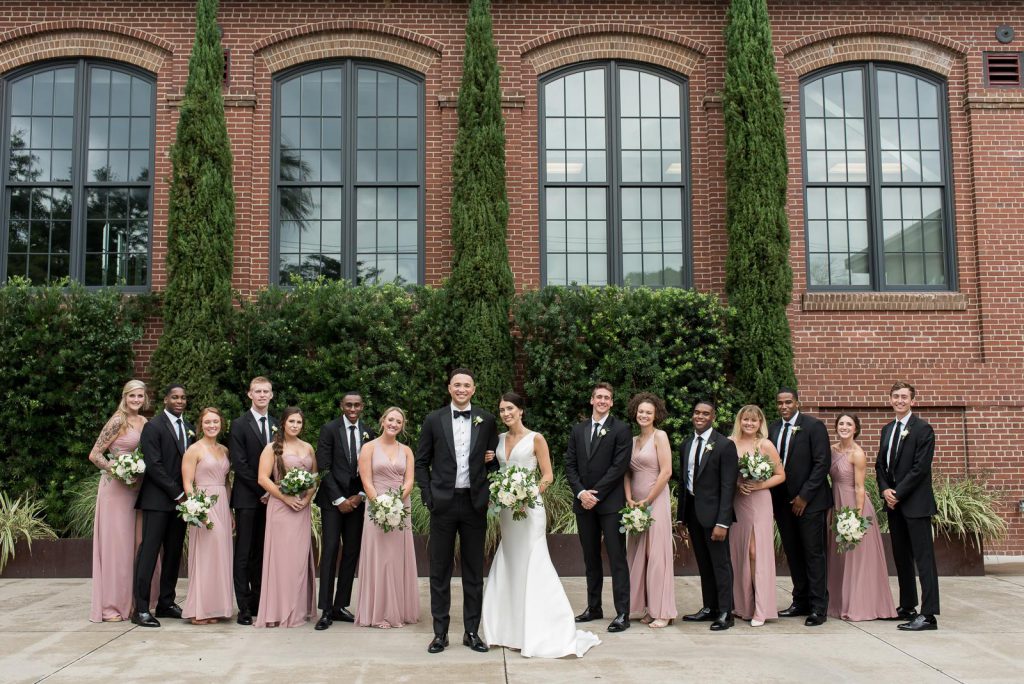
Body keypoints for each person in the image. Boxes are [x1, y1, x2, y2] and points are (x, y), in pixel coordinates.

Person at [481, 392, 600, 657]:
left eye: (510, 408)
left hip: (529, 509)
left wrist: (527, 494)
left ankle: (541, 629)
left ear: (521, 410)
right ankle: (509, 629)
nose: (506, 413)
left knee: (532, 562)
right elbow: (494, 470)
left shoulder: (536, 438)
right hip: (508, 510)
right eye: (501, 410)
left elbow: (547, 476)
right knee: (511, 562)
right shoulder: (498, 440)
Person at [415, 368, 499, 654]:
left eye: (467, 385)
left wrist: (488, 488)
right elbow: (421, 462)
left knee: (474, 571)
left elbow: (494, 463)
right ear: (449, 388)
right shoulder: (433, 420)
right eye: (457, 385)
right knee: (439, 570)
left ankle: (472, 632)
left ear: (473, 389)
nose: (462, 389)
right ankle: (440, 633)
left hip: (475, 504)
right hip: (443, 503)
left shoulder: (486, 420)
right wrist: (429, 497)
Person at [564, 382, 632, 632]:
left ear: (612, 402)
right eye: (598, 397)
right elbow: (569, 463)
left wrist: (597, 494)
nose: (602, 401)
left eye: (607, 397)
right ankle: (594, 607)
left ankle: (622, 612)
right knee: (590, 558)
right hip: (584, 504)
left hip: (610, 504)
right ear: (591, 400)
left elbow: (619, 466)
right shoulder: (578, 429)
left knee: (617, 559)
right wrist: (581, 493)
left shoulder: (621, 429)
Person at [876, 381, 940, 631]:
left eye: (904, 396)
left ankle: (929, 614)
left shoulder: (923, 429)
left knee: (924, 560)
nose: (899, 400)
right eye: (895, 396)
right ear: (890, 399)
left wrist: (898, 493)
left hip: (916, 504)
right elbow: (880, 465)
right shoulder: (887, 429)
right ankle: (907, 606)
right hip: (894, 505)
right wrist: (884, 490)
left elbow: (920, 468)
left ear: (912, 400)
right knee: (901, 558)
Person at [768, 387, 832, 626]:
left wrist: (804, 496)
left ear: (797, 403)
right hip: (782, 503)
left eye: (788, 402)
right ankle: (800, 601)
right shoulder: (773, 429)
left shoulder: (813, 426)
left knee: (813, 554)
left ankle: (818, 607)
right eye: (780, 403)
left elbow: (821, 463)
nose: (784, 406)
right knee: (793, 553)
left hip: (810, 503)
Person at [89, 379, 150, 622]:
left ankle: (136, 601)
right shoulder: (117, 421)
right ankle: (111, 606)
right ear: (124, 397)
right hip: (116, 490)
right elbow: (95, 454)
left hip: (137, 489)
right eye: (132, 396)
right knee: (117, 547)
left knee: (136, 545)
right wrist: (119, 471)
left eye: (140, 396)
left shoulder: (145, 422)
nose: (136, 400)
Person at [132, 384, 192, 628]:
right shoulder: (153, 426)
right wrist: (177, 493)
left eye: (183, 398)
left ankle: (166, 602)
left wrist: (188, 494)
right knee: (149, 552)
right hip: (158, 500)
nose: (179, 401)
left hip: (180, 504)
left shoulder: (188, 429)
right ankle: (142, 608)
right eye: (174, 397)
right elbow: (154, 465)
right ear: (165, 399)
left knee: (174, 553)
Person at [354, 407, 419, 628]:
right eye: (390, 419)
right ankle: (378, 612)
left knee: (396, 557)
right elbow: (366, 480)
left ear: (403, 426)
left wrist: (396, 502)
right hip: (376, 507)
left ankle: (398, 610)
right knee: (379, 557)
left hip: (401, 507)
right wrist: (380, 504)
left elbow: (409, 480)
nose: (394, 424)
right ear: (383, 421)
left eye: (398, 422)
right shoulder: (369, 448)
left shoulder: (407, 451)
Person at [828, 413, 897, 621]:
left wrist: (856, 519)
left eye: (849, 424)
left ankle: (860, 605)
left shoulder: (857, 454)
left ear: (855, 429)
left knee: (856, 558)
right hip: (836, 504)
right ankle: (839, 603)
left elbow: (860, 487)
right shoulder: (831, 450)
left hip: (853, 506)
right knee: (841, 558)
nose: (844, 427)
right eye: (841, 423)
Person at [315, 391, 374, 630]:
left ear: (362, 407)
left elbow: (371, 468)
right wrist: (339, 499)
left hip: (357, 501)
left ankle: (340, 605)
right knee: (330, 551)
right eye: (348, 404)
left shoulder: (369, 432)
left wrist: (359, 496)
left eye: (357, 405)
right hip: (332, 501)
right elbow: (324, 468)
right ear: (341, 405)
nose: (353, 408)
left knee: (351, 552)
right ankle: (326, 609)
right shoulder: (329, 430)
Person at [676, 399, 738, 631]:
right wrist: (681, 516)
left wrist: (723, 521)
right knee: (703, 562)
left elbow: (728, 486)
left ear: (713, 417)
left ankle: (725, 612)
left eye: (705, 413)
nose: (700, 416)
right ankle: (709, 607)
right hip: (693, 514)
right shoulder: (686, 444)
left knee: (720, 564)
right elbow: (684, 482)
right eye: (696, 412)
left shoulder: (724, 445)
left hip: (715, 516)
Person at [255, 407, 318, 628]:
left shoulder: (308, 447)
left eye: (299, 422)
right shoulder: (271, 448)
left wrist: (306, 499)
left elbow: (314, 478)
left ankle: (298, 609)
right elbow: (263, 479)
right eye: (291, 421)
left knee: (298, 559)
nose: (295, 425)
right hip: (281, 508)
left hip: (301, 508)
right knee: (281, 560)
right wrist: (286, 498)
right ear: (283, 423)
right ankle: (278, 610)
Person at [728, 405, 785, 627]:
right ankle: (744, 606)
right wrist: (736, 484)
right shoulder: (730, 443)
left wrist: (759, 485)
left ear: (761, 423)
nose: (750, 424)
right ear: (739, 421)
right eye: (746, 420)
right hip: (738, 502)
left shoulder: (765, 445)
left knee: (755, 552)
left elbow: (780, 475)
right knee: (740, 553)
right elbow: (723, 473)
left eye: (755, 420)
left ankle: (762, 608)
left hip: (760, 501)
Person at [623, 392, 676, 629]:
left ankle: (664, 611)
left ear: (656, 415)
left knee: (657, 556)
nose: (644, 415)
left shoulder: (660, 436)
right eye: (641, 411)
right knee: (639, 556)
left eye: (648, 412)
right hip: (635, 503)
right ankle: (648, 608)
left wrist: (648, 500)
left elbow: (666, 472)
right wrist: (629, 499)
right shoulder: (632, 440)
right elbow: (627, 472)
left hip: (655, 501)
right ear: (635, 412)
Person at [228, 377, 277, 625]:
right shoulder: (238, 425)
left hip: (272, 500)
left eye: (265, 391)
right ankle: (244, 606)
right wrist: (262, 490)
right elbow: (239, 463)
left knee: (261, 552)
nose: (261, 395)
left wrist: (277, 490)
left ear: (271, 395)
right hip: (248, 498)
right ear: (249, 394)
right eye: (257, 391)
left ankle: (259, 602)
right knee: (244, 553)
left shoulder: (277, 424)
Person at [181, 407, 234, 624]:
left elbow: (227, 482)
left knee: (220, 557)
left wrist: (230, 511)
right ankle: (199, 610)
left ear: (221, 424)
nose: (212, 426)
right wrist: (197, 509)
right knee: (205, 556)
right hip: (203, 504)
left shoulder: (224, 450)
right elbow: (187, 483)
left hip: (222, 502)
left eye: (215, 422)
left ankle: (214, 608)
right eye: (207, 422)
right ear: (200, 425)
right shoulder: (194, 449)